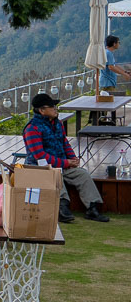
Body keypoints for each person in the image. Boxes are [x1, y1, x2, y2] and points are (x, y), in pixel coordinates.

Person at [24, 93, 108, 222]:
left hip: (62, 164)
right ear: (41, 110)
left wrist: (73, 159)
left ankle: (92, 207)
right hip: (40, 167)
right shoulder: (32, 128)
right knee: (56, 176)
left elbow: (64, 143)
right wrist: (66, 163)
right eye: (52, 106)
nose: (55, 108)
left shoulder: (57, 124)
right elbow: (40, 156)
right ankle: (62, 208)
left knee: (83, 174)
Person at [90, 35, 131, 126]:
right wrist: (124, 74)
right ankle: (101, 125)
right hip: (107, 83)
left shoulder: (108, 53)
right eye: (118, 42)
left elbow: (114, 65)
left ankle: (102, 124)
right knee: (106, 106)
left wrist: (124, 72)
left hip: (108, 82)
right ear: (114, 44)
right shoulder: (108, 53)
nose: (119, 44)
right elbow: (111, 67)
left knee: (106, 106)